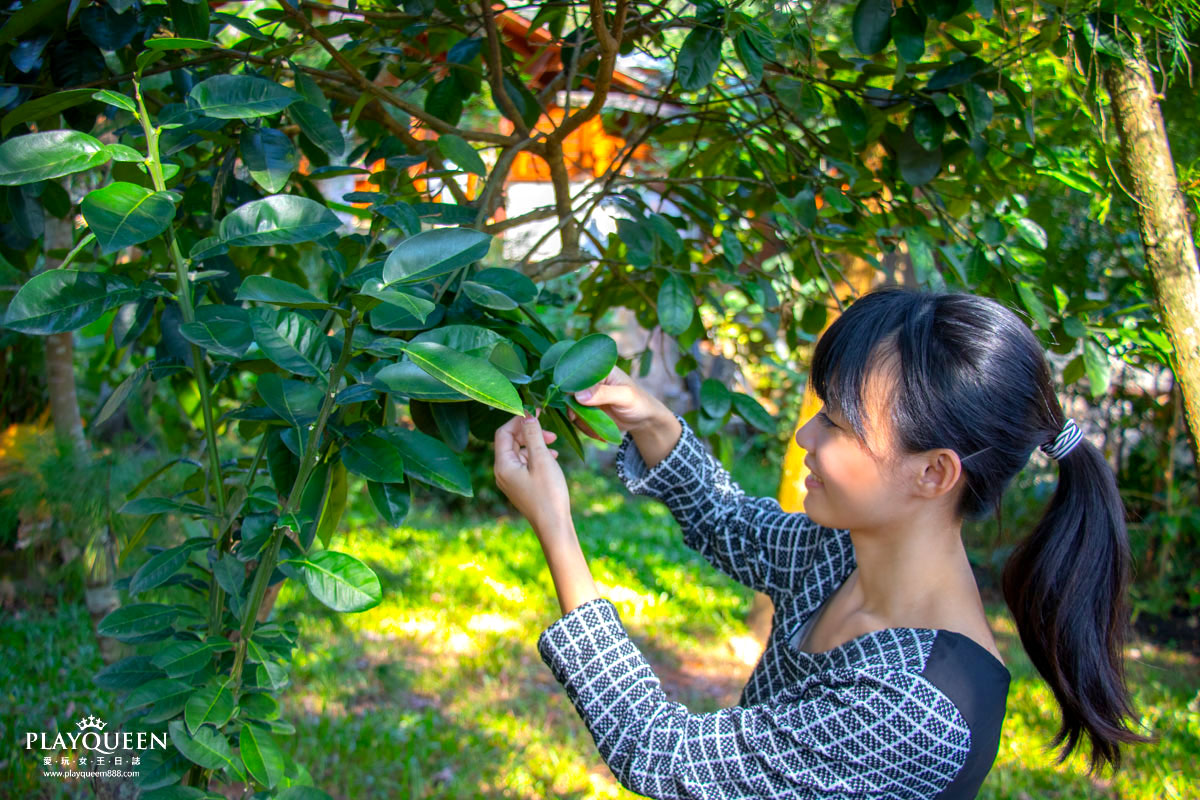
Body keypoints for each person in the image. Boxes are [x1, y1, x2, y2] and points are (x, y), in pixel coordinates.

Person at [492, 286, 1152, 799]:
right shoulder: (846, 555)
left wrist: (557, 525)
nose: (805, 439)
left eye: (837, 425)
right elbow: (731, 525)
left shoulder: (916, 709)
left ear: (934, 473)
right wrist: (656, 424)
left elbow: (660, 752)